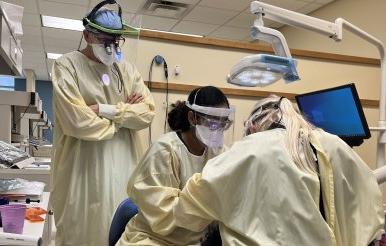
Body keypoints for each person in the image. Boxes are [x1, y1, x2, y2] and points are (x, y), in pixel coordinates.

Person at [172, 95, 384, 246]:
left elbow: (187, 209)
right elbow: (366, 203)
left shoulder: (249, 148)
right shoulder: (334, 144)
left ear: (253, 126)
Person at [50, 2, 155, 245]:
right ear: (86, 35)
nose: (110, 46)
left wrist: (103, 110)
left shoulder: (126, 70)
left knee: (119, 229)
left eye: (115, 40)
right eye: (103, 39)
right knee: (83, 231)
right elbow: (77, 122)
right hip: (81, 171)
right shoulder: (67, 66)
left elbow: (147, 114)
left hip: (124, 168)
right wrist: (123, 117)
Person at [117, 86, 234, 245]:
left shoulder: (218, 152)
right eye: (213, 123)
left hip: (196, 240)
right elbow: (163, 216)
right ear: (193, 118)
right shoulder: (165, 151)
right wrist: (205, 194)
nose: (218, 130)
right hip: (154, 238)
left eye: (223, 124)